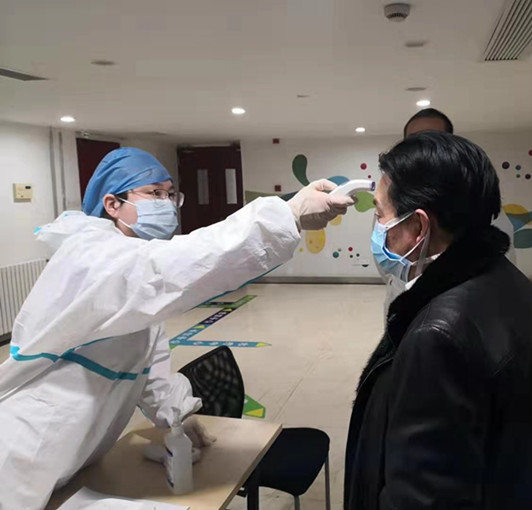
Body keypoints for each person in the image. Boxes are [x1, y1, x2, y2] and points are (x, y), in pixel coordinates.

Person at [0, 147, 355, 509]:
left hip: (77, 452)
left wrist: (178, 414)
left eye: (171, 194)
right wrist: (286, 214)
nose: (167, 204)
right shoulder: (88, 257)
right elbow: (171, 267)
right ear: (112, 204)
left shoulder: (129, 271)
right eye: (155, 193)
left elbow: (148, 366)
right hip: (22, 449)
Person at [345, 132, 532, 510]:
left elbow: (422, 497)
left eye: (380, 214)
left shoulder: (438, 337)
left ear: (418, 227)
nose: (377, 228)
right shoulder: (513, 284)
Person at [380, 108, 516, 315]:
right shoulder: (393, 201)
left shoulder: (477, 203)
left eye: (433, 137)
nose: (423, 147)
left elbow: (497, 270)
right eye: (414, 140)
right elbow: (385, 260)